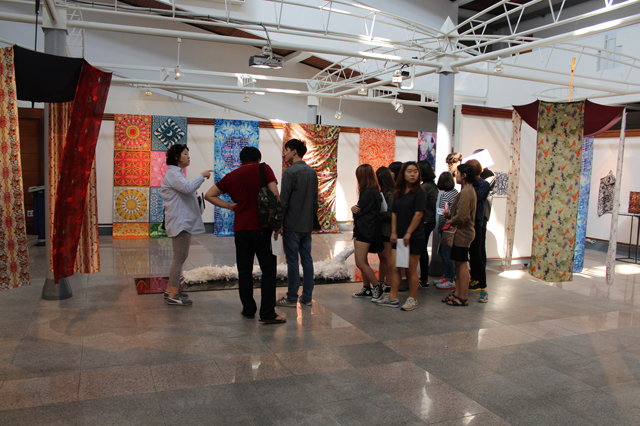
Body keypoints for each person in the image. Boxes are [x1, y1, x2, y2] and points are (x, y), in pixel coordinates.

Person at [205, 146, 286, 324]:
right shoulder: (264, 169)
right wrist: (278, 223)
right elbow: (275, 195)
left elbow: (209, 195)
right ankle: (267, 313)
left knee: (244, 270)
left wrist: (229, 206)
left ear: (241, 160)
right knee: (268, 269)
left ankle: (249, 309)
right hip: (262, 227)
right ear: (258, 159)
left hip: (241, 228)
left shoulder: (231, 176)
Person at [160, 144, 212, 306]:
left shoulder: (176, 174)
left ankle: (171, 289)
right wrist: (201, 176)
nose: (188, 157)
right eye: (185, 154)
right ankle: (173, 294)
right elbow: (188, 188)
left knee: (180, 257)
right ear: (176, 157)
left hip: (181, 221)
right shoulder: (173, 174)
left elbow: (185, 192)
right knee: (179, 258)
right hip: (179, 222)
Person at [377, 162, 426, 311]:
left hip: (414, 237)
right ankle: (393, 297)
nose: (412, 174)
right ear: (403, 174)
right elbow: (394, 213)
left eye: (415, 171)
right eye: (409, 171)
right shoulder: (399, 192)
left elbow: (419, 214)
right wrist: (394, 232)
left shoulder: (420, 192)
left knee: (410, 270)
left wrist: (409, 232)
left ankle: (412, 299)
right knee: (395, 267)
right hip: (399, 237)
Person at [276, 139, 318, 308]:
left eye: (286, 150)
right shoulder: (312, 172)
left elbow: (284, 201)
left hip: (292, 223)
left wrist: (279, 222)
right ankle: (307, 297)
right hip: (307, 224)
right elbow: (315, 201)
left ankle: (292, 297)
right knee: (307, 259)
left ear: (294, 151)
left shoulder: (290, 172)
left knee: (293, 261)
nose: (284, 154)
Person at [442, 163, 477, 307]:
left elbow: (462, 216)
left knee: (462, 265)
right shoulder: (466, 190)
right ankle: (457, 293)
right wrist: (450, 216)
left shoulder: (467, 191)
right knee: (459, 264)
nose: (455, 176)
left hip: (463, 233)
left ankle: (462, 296)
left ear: (464, 175)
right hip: (462, 232)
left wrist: (450, 220)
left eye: (457, 173)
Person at [351, 164, 384, 300]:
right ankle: (366, 288)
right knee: (363, 261)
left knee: (360, 263)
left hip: (365, 230)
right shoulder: (373, 191)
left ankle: (376, 287)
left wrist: (354, 210)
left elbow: (359, 212)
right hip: (367, 229)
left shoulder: (368, 193)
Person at [466, 159, 491, 303]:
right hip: (466, 224)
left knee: (477, 256)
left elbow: (473, 198)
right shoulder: (468, 185)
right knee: (468, 256)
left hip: (477, 224)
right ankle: (468, 283)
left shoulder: (484, 184)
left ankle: (483, 288)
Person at [473, 149, 496, 303]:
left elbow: (477, 195)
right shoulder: (476, 180)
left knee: (479, 249)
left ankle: (481, 282)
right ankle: (474, 277)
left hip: (481, 216)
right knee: (474, 251)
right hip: (473, 218)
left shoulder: (488, 177)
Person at [434, 171, 458, 290]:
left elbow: (443, 214)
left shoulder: (446, 195)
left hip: (447, 228)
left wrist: (440, 228)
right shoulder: (455, 193)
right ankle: (446, 276)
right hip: (452, 227)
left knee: (445, 254)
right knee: (446, 253)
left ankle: (449, 278)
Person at [376, 166, 396, 293]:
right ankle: (381, 282)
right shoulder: (384, 192)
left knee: (388, 259)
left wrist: (379, 213)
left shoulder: (391, 193)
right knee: (382, 258)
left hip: (388, 230)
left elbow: (392, 214)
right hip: (383, 229)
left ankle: (389, 285)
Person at [418, 160, 437, 288]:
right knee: (422, 249)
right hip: (429, 220)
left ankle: (424, 279)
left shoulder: (426, 187)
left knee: (421, 249)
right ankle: (423, 278)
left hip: (426, 220)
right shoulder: (430, 185)